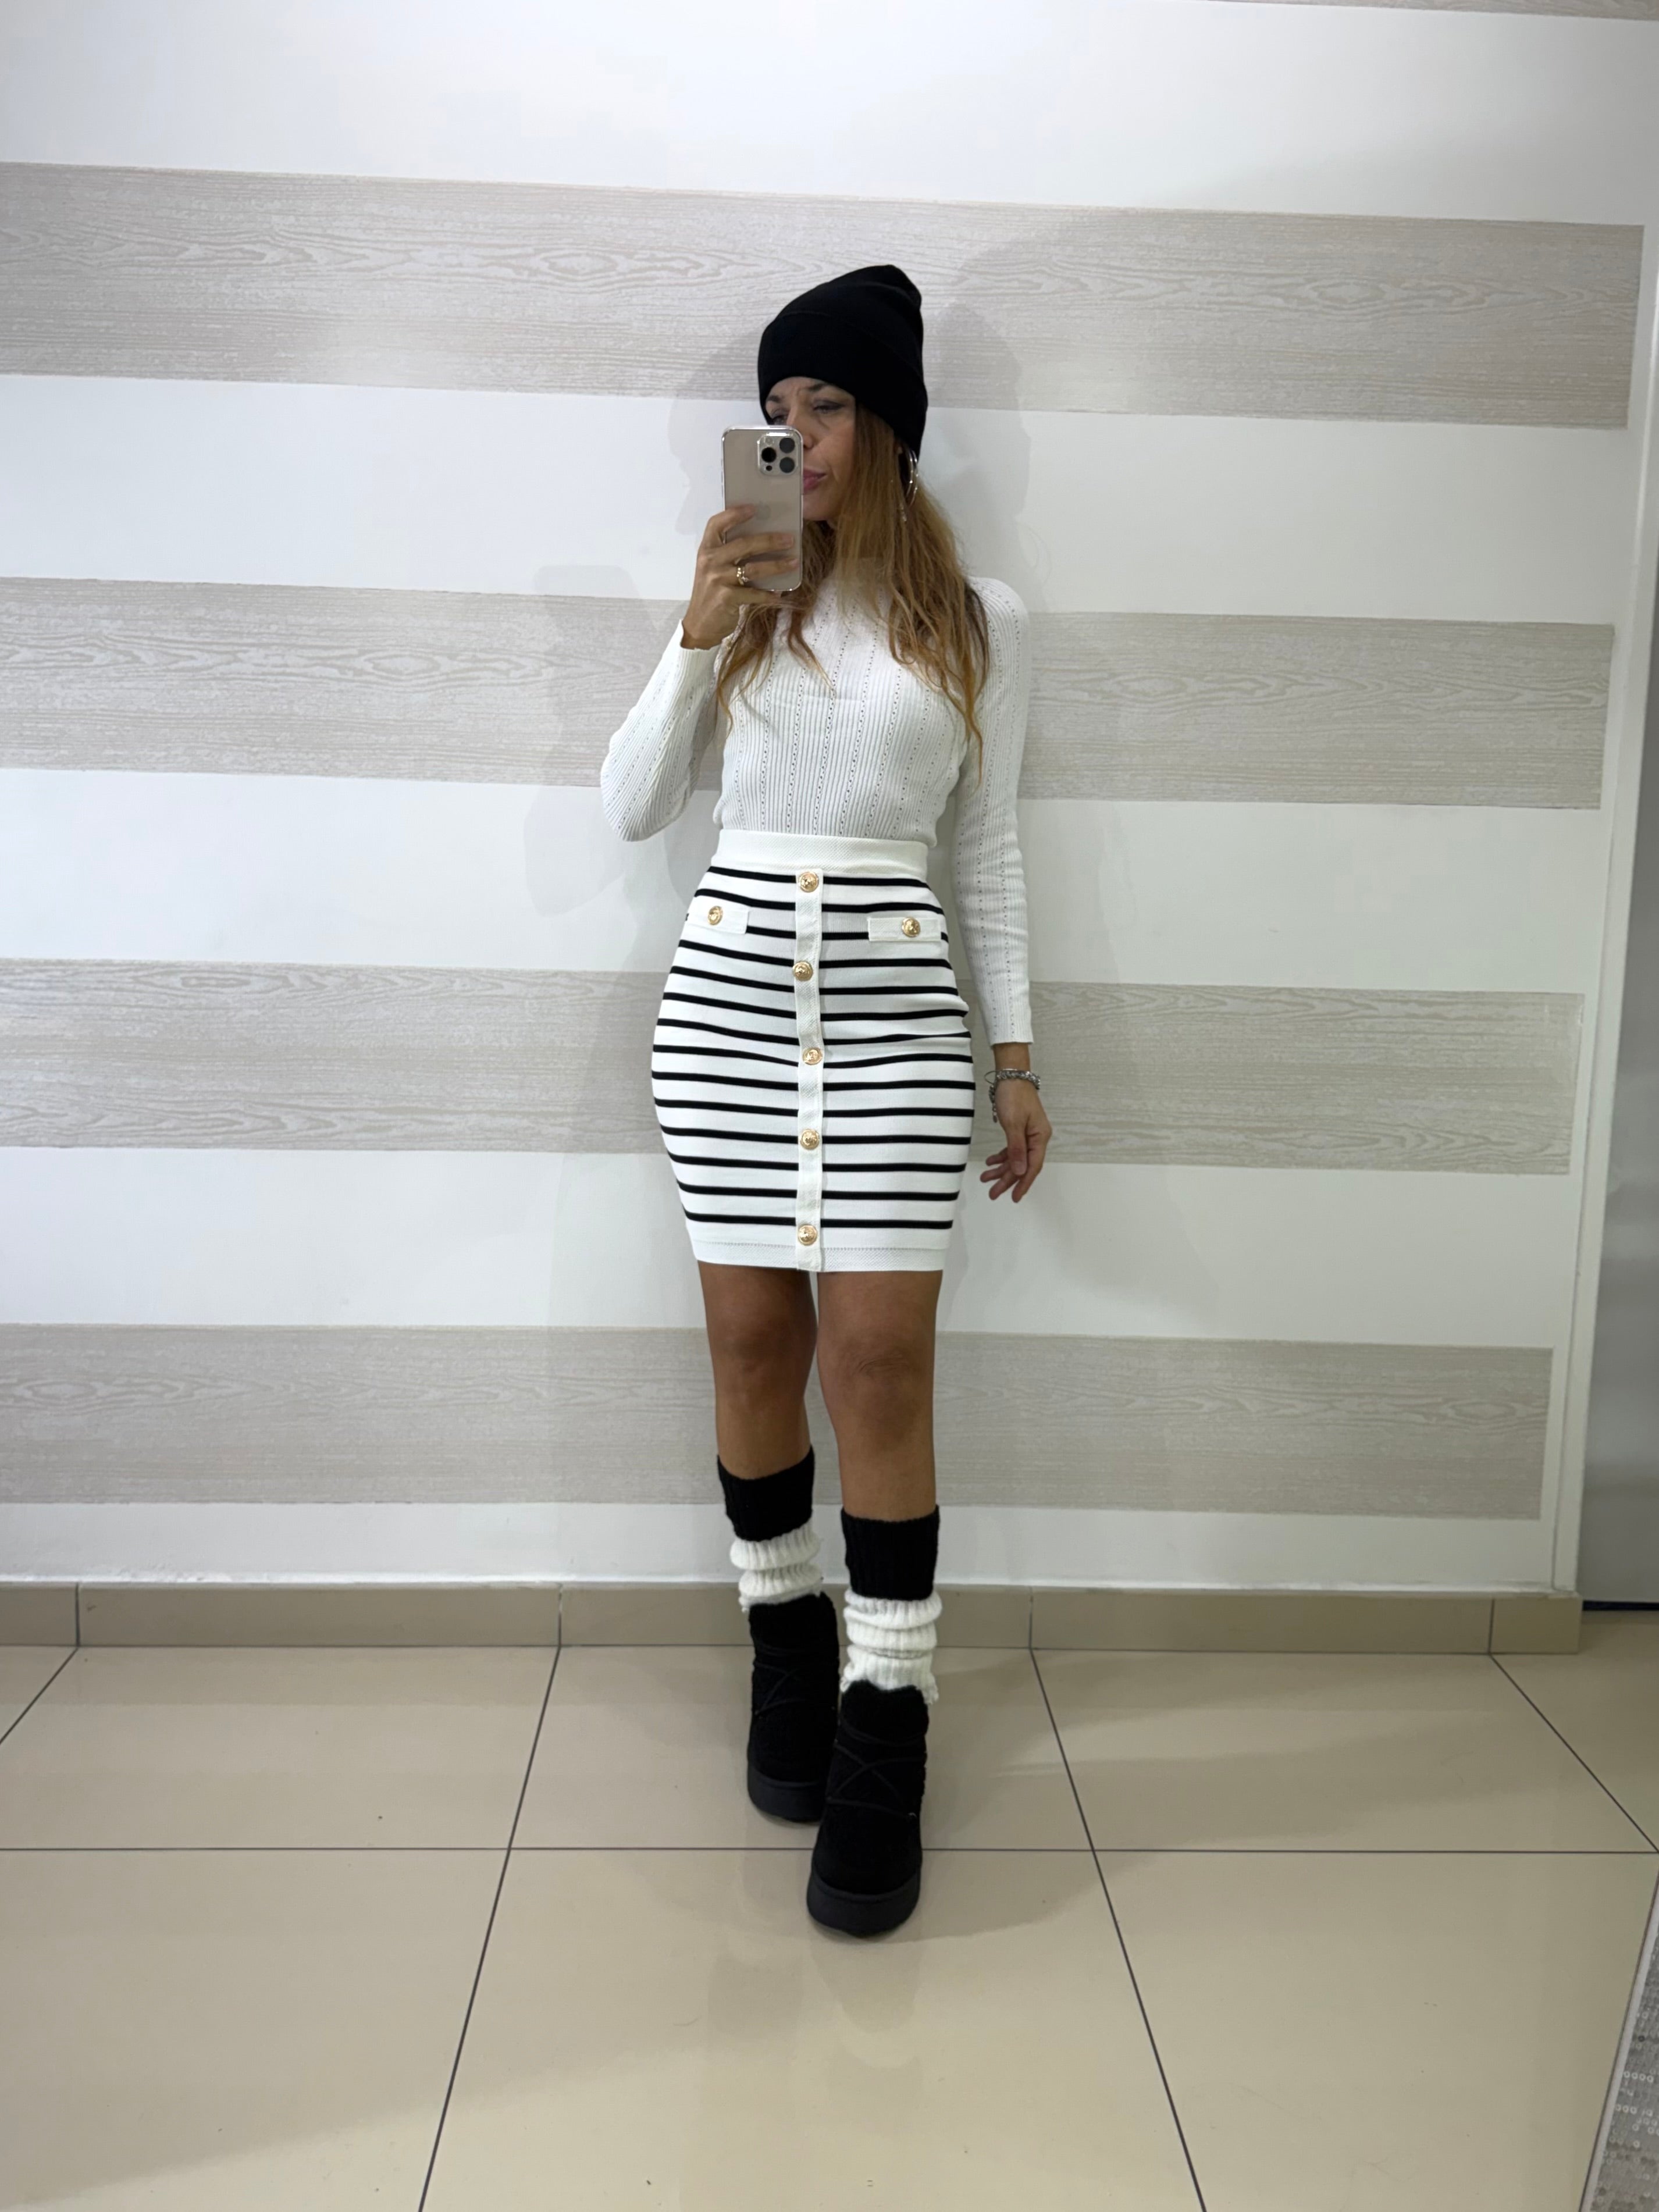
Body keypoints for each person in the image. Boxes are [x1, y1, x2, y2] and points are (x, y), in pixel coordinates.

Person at [600, 263, 1051, 1936]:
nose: (797, 438)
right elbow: (631, 807)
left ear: (892, 426)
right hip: (726, 1018)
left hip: (892, 1031)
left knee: (876, 1358)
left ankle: (887, 1708)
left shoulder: (979, 620)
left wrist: (1016, 1055)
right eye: (776, 413)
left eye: (829, 408)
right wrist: (693, 633)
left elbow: (987, 849)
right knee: (747, 1347)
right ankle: (784, 1643)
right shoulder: (742, 598)